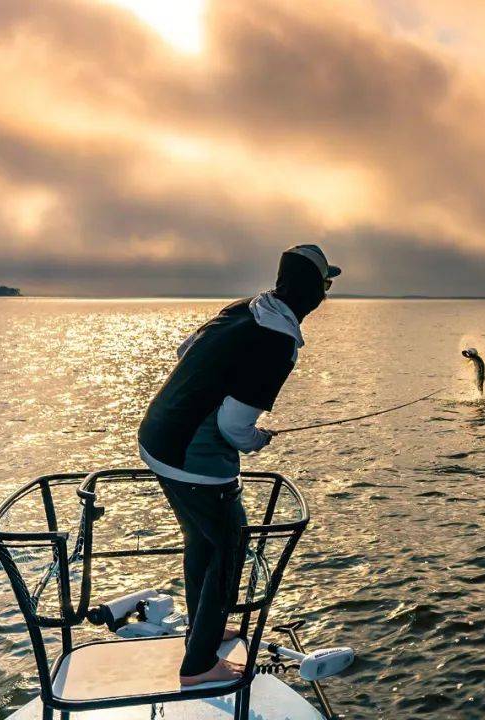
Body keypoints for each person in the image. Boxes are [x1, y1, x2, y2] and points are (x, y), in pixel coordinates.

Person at [137, 245, 340, 686]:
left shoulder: (245, 308)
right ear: (313, 292)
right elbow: (234, 424)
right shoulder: (278, 340)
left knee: (201, 544)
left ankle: (201, 633)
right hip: (195, 462)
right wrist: (255, 440)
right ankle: (199, 666)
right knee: (230, 550)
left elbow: (183, 348)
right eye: (325, 285)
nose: (325, 294)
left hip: (156, 438)